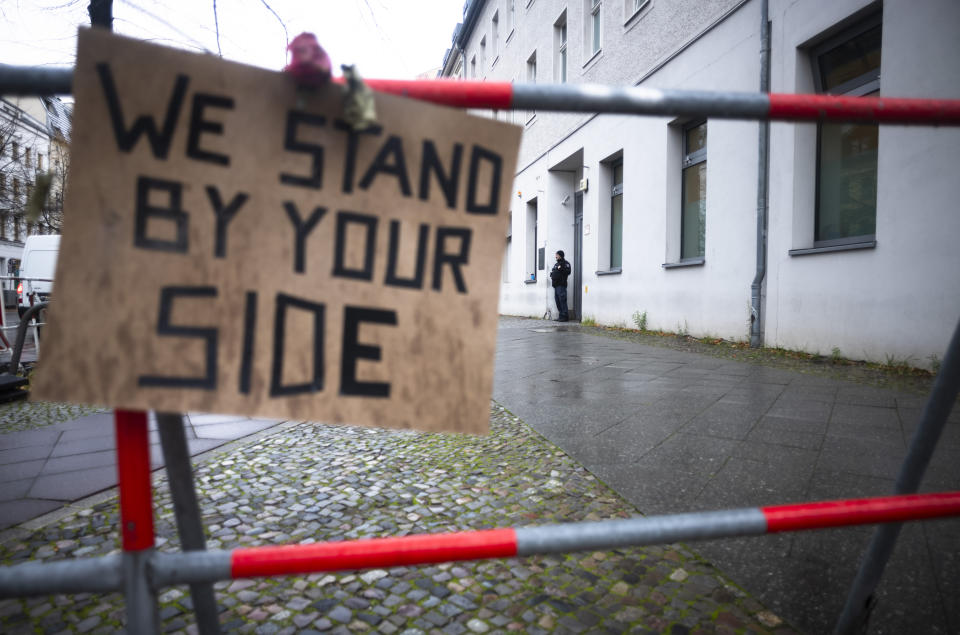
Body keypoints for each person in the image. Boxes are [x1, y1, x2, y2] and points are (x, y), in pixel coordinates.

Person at [550, 250, 572, 321]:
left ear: (560, 255)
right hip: (556, 286)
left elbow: (568, 272)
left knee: (562, 300)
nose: (555, 256)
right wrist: (552, 274)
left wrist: (561, 268)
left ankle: (565, 316)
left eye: (556, 255)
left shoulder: (566, 263)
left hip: (561, 285)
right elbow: (553, 271)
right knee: (557, 301)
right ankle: (561, 316)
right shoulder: (556, 264)